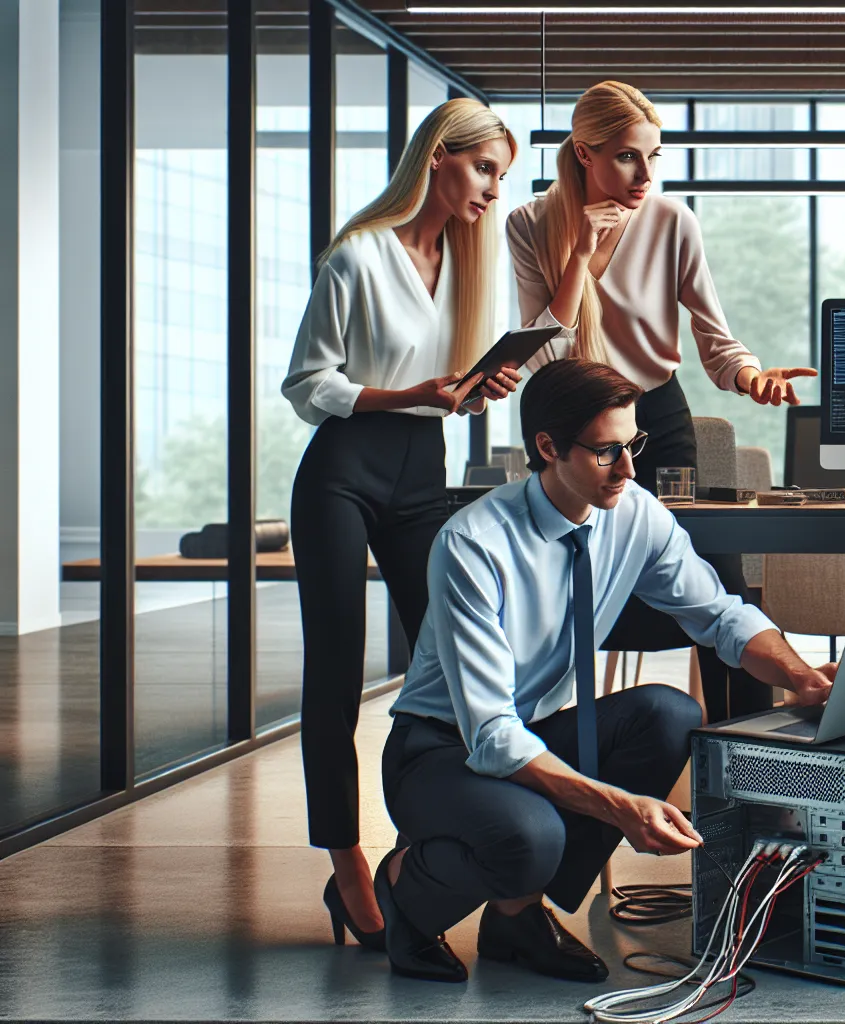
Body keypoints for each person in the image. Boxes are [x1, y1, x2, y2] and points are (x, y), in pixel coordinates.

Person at [373, 358, 835, 983]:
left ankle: (515, 915)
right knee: (532, 836)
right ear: (548, 448)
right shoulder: (473, 544)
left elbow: (721, 615)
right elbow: (492, 734)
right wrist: (620, 808)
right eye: (606, 452)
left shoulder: (635, 512)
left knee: (668, 715)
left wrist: (802, 676)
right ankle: (402, 889)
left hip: (532, 730)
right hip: (438, 749)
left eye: (633, 444)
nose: (629, 468)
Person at [283, 98, 522, 953]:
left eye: (501, 176)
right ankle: (346, 862)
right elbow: (308, 385)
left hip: (424, 477)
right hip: (343, 476)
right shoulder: (357, 255)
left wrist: (475, 389)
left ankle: (427, 841)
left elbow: (444, 388)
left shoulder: (466, 265)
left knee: (456, 669)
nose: (493, 189)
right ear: (438, 158)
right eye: (484, 168)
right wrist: (410, 394)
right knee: (336, 676)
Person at [507, 80, 813, 725]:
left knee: (720, 576)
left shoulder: (673, 221)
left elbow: (715, 338)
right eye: (627, 157)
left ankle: (751, 753)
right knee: (565, 570)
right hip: (573, 423)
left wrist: (751, 376)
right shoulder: (529, 224)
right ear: (584, 153)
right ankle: (538, 736)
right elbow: (542, 356)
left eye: (654, 157)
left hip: (659, 416)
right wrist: (579, 255)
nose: (645, 175)